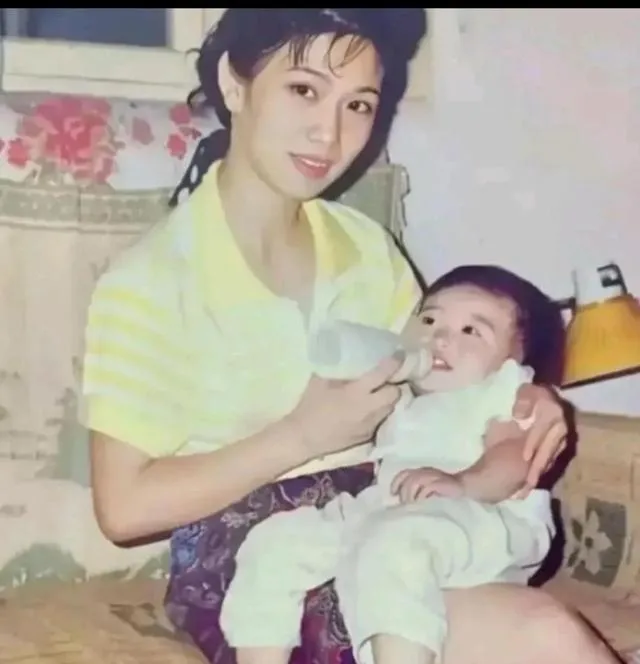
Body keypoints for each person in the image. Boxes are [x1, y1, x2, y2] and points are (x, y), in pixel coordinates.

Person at [82, 9, 618, 664]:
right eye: (303, 89)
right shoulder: (150, 281)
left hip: (388, 510)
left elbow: (442, 377)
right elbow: (124, 509)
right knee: (542, 635)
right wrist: (301, 436)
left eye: (358, 104)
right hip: (252, 561)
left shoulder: (367, 249)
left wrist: (528, 400)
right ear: (233, 82)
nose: (330, 133)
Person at [219, 265, 566, 664]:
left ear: (516, 361)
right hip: (390, 510)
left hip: (487, 514)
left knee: (394, 547)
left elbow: (515, 459)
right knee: (278, 542)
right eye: (429, 320)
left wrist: (464, 483)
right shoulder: (403, 396)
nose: (439, 337)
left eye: (471, 330)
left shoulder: (502, 391)